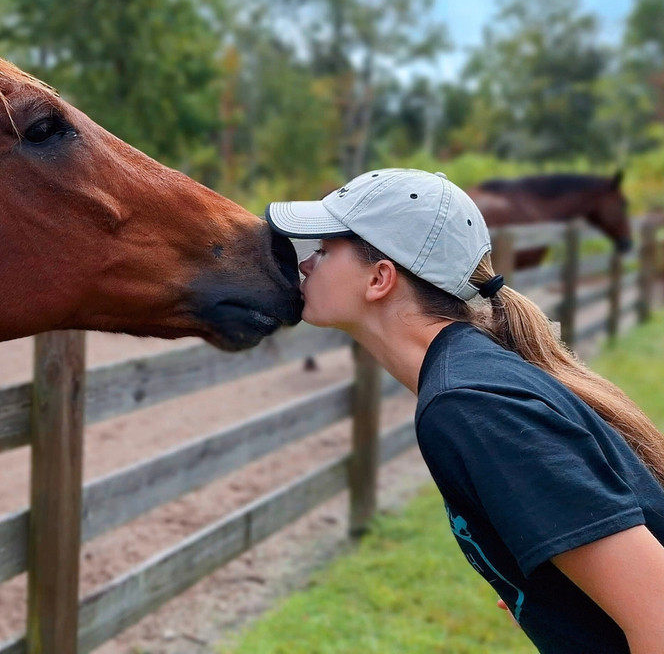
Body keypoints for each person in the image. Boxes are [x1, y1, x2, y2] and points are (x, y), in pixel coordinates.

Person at [266, 168, 664, 654]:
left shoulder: (471, 406)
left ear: (379, 278)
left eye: (324, 249)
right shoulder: (470, 377)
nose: (306, 263)